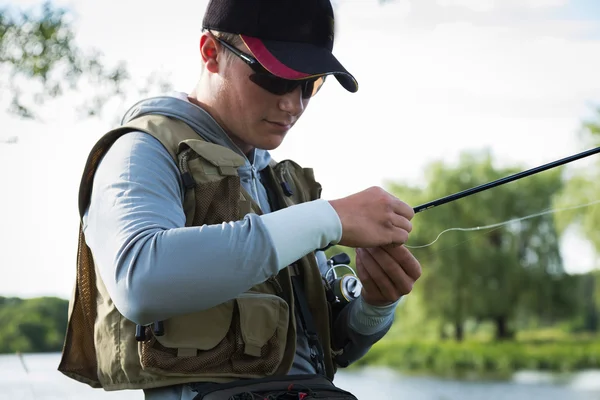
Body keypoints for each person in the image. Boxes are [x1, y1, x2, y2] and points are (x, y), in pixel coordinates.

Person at [58, 0, 422, 399]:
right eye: (275, 79)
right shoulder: (139, 151)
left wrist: (375, 304)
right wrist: (328, 218)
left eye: (310, 84)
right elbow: (141, 282)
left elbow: (330, 345)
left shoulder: (282, 186)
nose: (293, 105)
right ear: (210, 53)